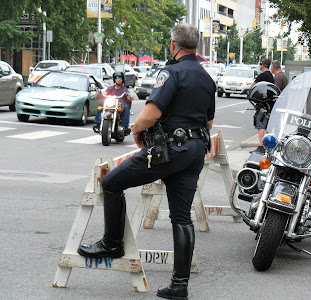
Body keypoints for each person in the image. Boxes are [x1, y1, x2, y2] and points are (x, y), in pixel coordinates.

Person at [78, 24, 216, 300]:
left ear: (173, 44)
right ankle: (179, 285)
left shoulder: (172, 73)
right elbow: (209, 121)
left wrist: (137, 130)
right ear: (196, 47)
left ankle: (112, 244)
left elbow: (151, 112)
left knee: (112, 182)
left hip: (170, 150)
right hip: (195, 150)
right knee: (181, 217)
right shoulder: (205, 77)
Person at [250, 58, 275, 153]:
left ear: (263, 65)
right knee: (267, 125)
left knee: (260, 124)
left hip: (262, 103)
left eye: (260, 64)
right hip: (269, 103)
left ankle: (261, 146)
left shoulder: (262, 76)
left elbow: (252, 86)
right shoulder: (270, 76)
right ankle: (268, 145)